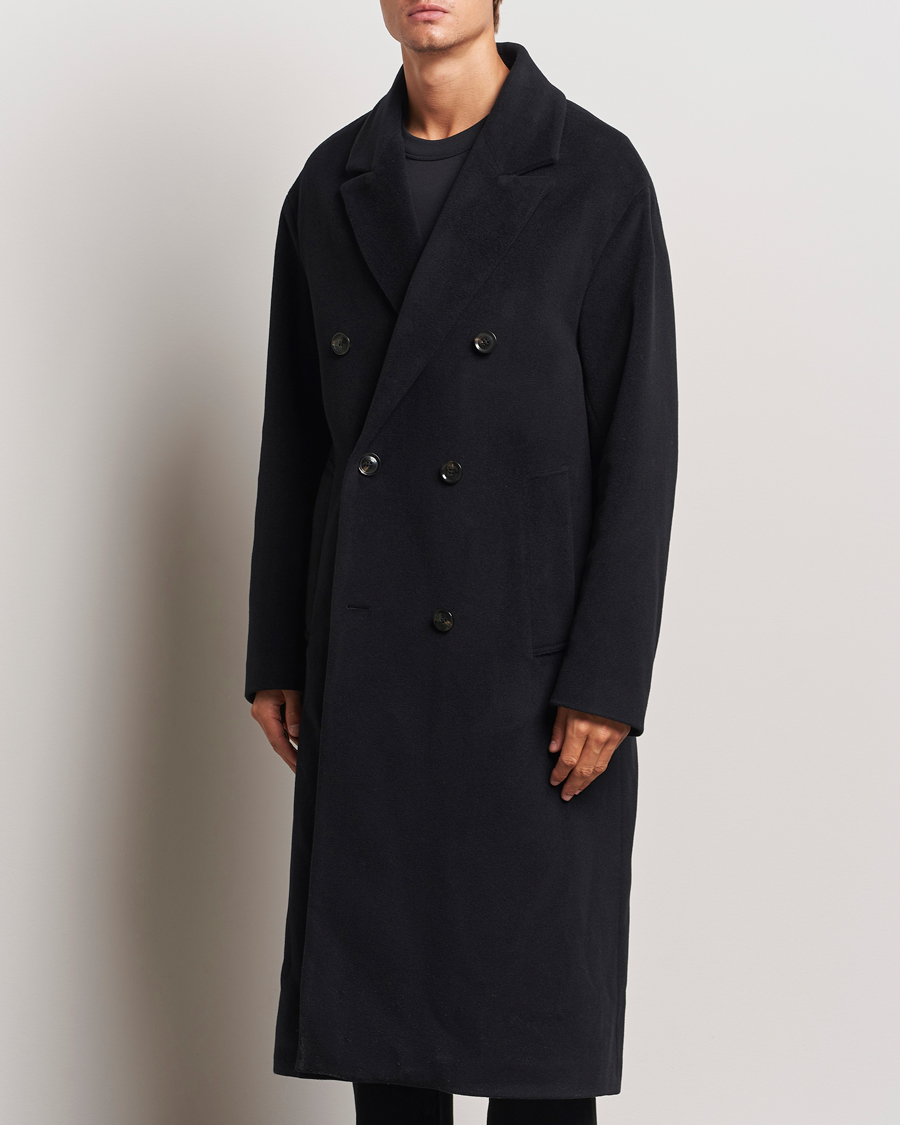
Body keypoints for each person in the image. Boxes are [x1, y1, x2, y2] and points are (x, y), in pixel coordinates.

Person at [246, 0, 677, 1120]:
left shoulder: (595, 176)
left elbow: (640, 446)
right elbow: (298, 438)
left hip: (530, 687)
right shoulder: (328, 187)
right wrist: (277, 651)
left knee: (536, 1057)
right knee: (390, 1056)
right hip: (373, 664)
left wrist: (608, 678)